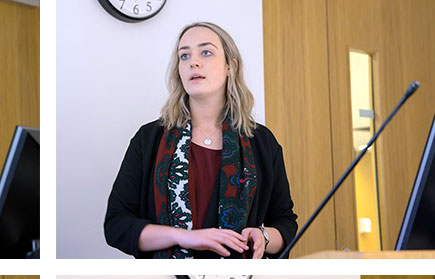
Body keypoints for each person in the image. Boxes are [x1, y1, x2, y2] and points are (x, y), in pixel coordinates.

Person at [104, 22, 297, 259]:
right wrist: (185, 236)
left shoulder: (262, 143)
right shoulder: (149, 139)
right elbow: (117, 225)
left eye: (206, 52)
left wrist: (263, 236)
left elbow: (285, 223)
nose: (193, 62)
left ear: (230, 66)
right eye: (184, 56)